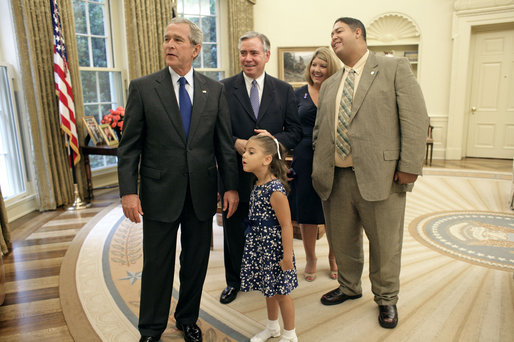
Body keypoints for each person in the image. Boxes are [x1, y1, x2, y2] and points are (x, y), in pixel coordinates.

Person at [117, 18, 239, 342]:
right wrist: (129, 192)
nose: (170, 45)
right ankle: (151, 329)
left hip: (201, 193)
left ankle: (187, 319)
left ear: (196, 50)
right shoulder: (143, 88)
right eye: (167, 39)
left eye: (178, 40)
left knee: (195, 263)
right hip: (159, 192)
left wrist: (229, 187)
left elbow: (224, 145)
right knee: (157, 265)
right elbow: (129, 147)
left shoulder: (214, 90)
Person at [311, 17, 428, 329]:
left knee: (385, 242)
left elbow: (415, 119)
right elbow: (320, 129)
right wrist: (319, 164)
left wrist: (409, 166)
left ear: (357, 33)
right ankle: (349, 286)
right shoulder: (332, 83)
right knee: (342, 240)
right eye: (331, 32)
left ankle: (387, 297)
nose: (333, 37)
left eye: (338, 31)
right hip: (336, 178)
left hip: (383, 175)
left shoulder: (393, 69)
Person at [218, 31, 302, 304]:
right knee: (233, 229)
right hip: (235, 174)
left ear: (266, 56)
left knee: (270, 229)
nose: (248, 58)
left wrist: (273, 141)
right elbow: (216, 132)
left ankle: (267, 276)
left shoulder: (284, 90)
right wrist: (237, 142)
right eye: (243, 53)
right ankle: (234, 281)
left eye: (254, 53)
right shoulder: (223, 88)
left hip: (269, 179)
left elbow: (296, 132)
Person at [288, 47, 340, 282]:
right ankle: (310, 258)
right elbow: (289, 128)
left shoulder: (339, 91)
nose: (317, 69)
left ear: (331, 68)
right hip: (304, 157)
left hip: (333, 157)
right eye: (314, 65)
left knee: (334, 211)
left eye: (323, 65)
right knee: (307, 211)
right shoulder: (297, 94)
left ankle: (334, 257)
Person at [240, 134, 298, 342]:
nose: (244, 155)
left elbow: (286, 225)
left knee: (281, 292)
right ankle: (272, 327)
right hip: (261, 246)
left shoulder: (275, 190)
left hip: (276, 249)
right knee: (268, 289)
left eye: (251, 152)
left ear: (267, 159)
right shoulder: (258, 184)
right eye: (245, 151)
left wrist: (287, 257)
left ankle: (290, 334)